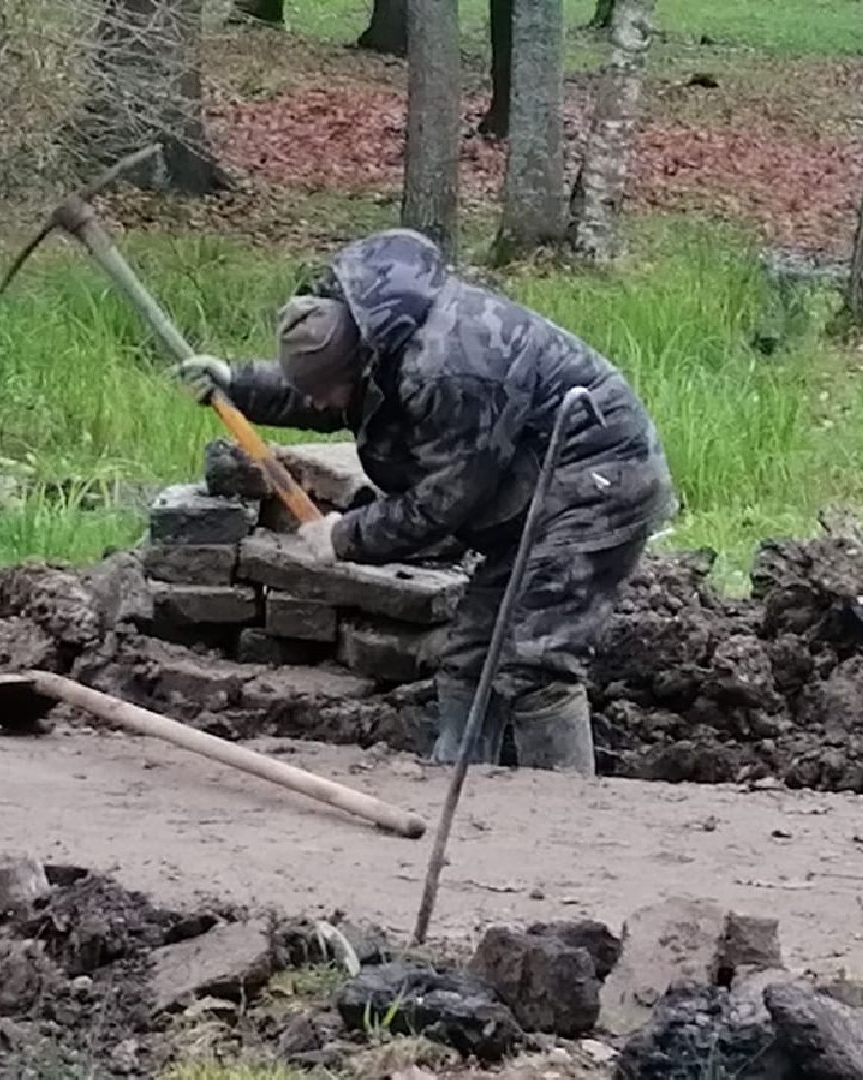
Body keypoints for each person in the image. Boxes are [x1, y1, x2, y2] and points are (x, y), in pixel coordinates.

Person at [176, 229, 674, 776]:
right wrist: (236, 383)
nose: (317, 404)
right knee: (470, 658)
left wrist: (345, 537)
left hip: (598, 482)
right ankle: (458, 788)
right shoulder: (379, 331)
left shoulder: (450, 370)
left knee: (537, 662)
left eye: (324, 392)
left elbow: (441, 507)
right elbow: (328, 390)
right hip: (532, 485)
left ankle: (561, 817)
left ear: (358, 364)